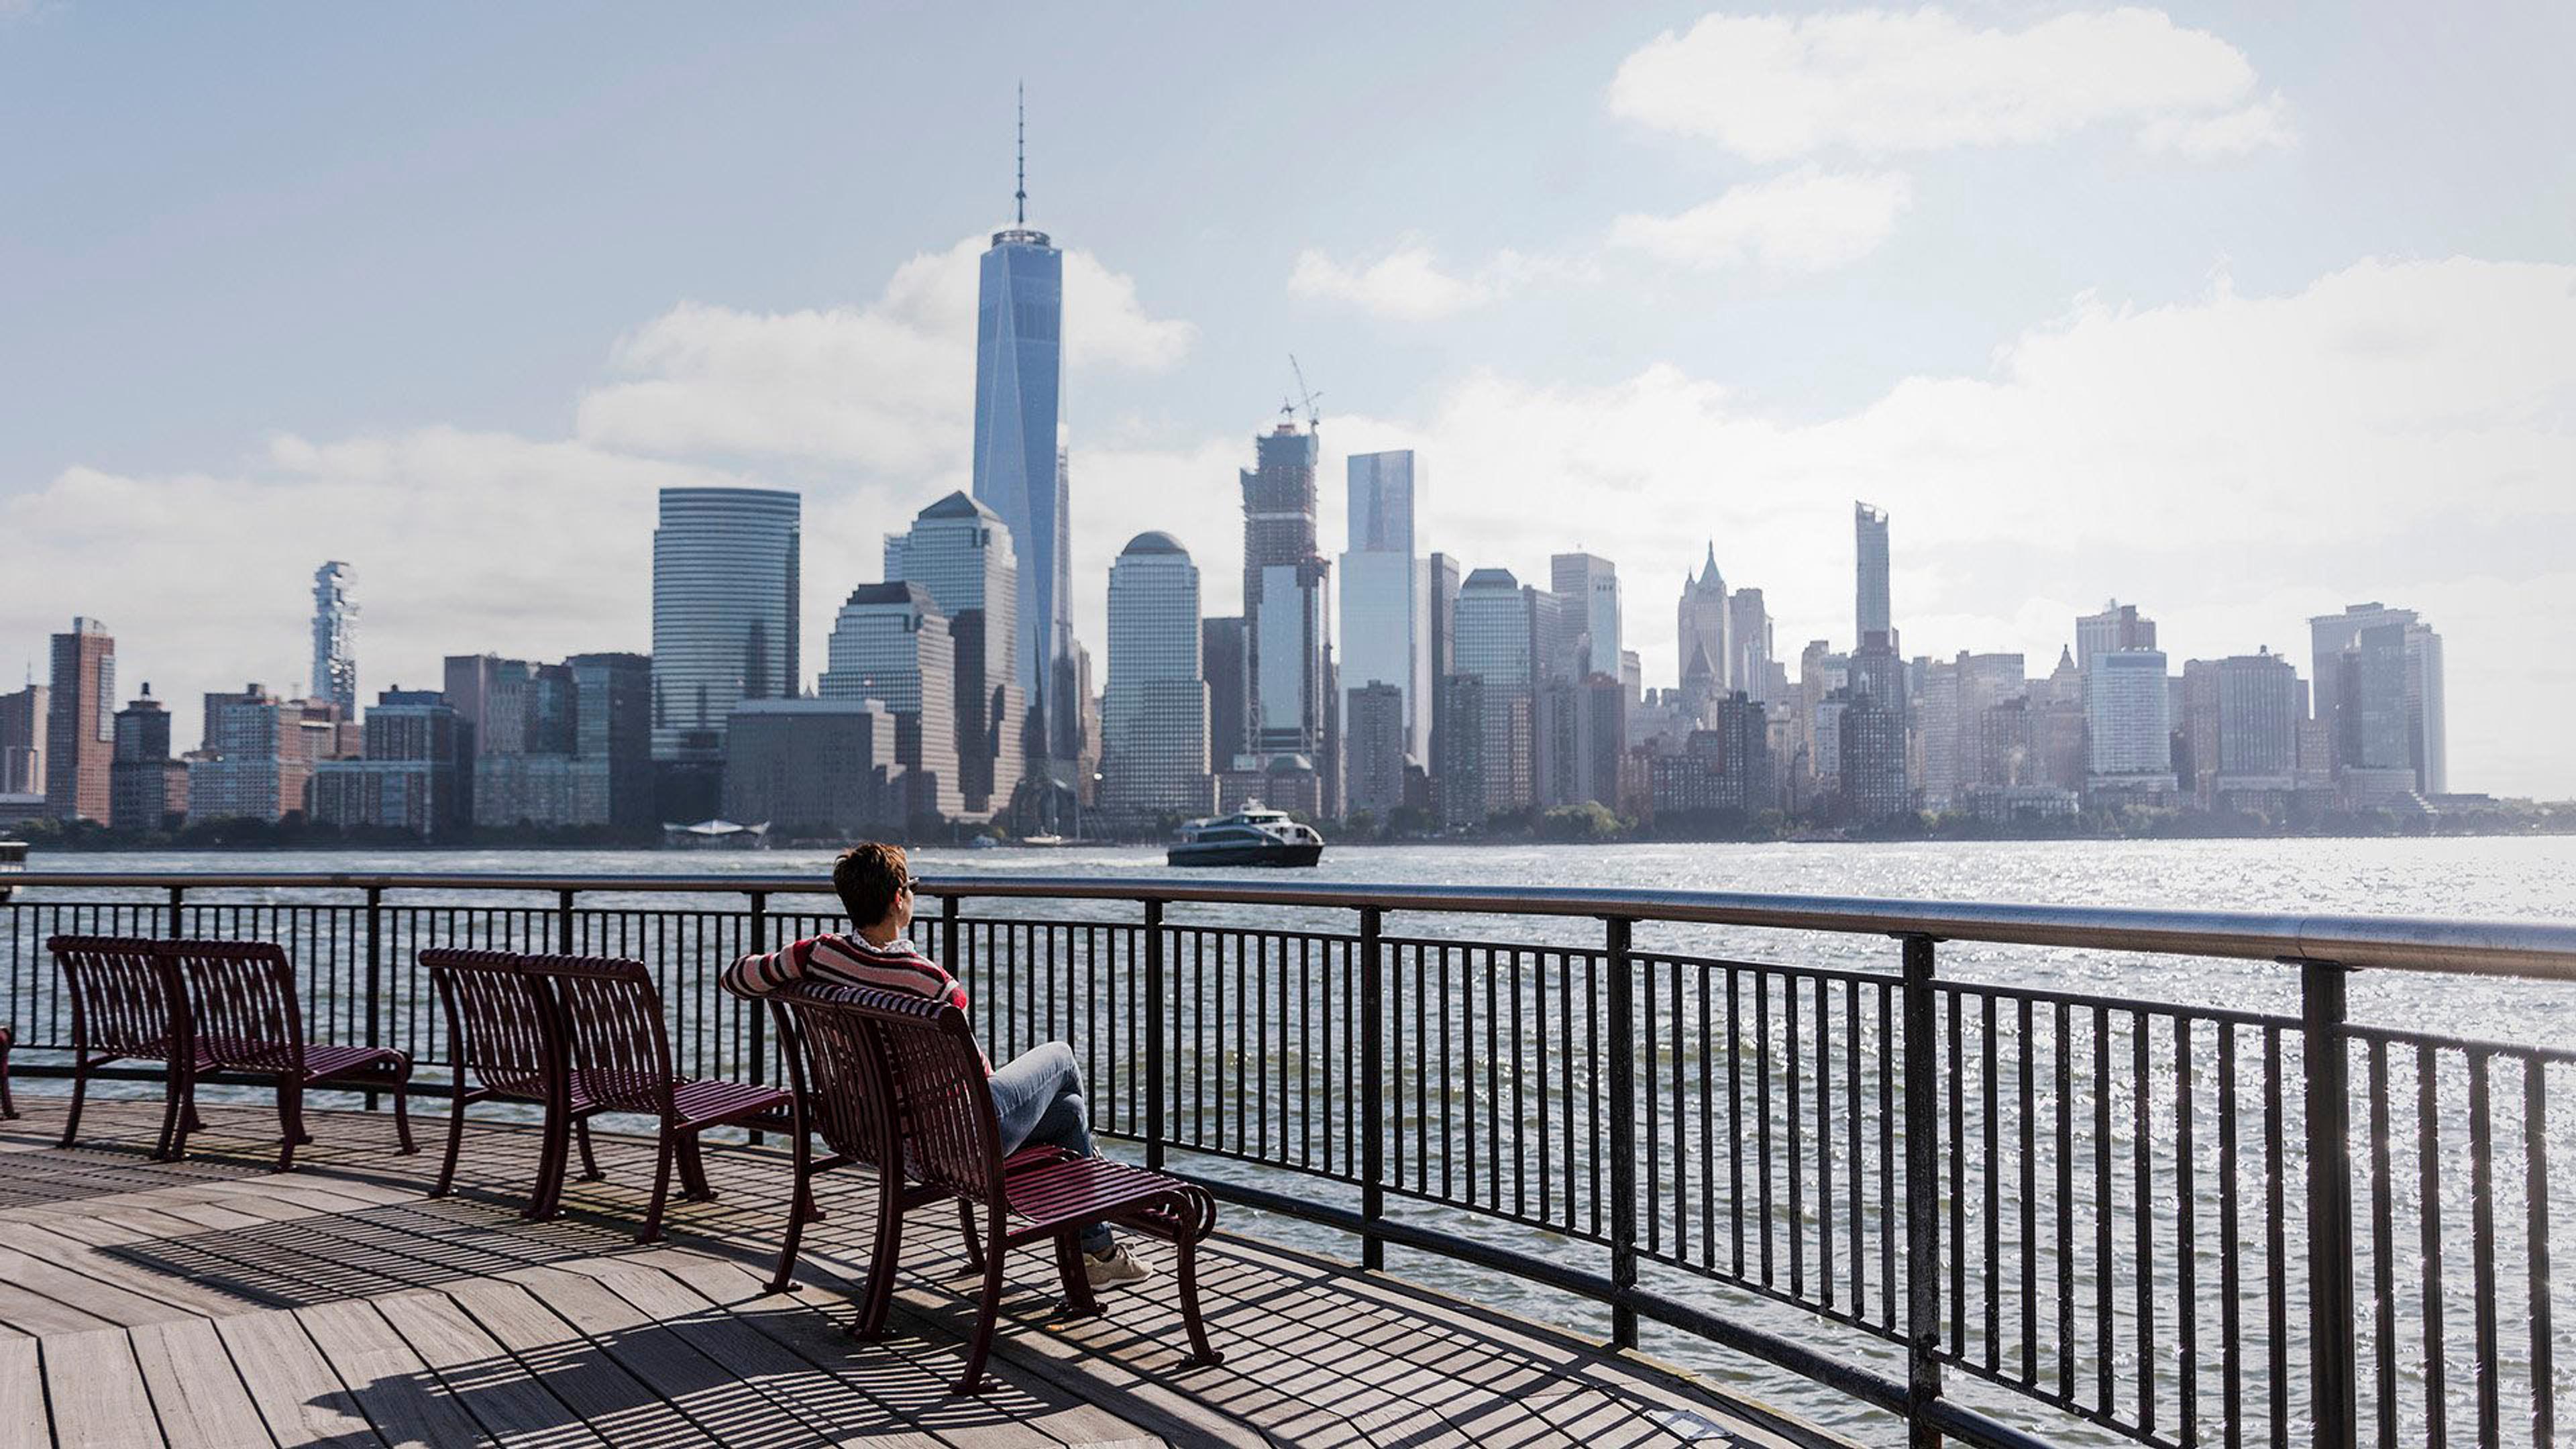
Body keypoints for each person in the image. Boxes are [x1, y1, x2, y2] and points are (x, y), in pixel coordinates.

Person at [721, 841, 1150, 1287]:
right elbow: (977, 1081)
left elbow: (736, 976)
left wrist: (786, 968)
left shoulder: (819, 956)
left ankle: (1099, 1244)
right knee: (1060, 1056)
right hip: (956, 1148)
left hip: (874, 1135)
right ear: (898, 900)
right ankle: (1098, 1207)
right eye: (911, 886)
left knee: (1071, 1114)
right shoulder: (932, 985)